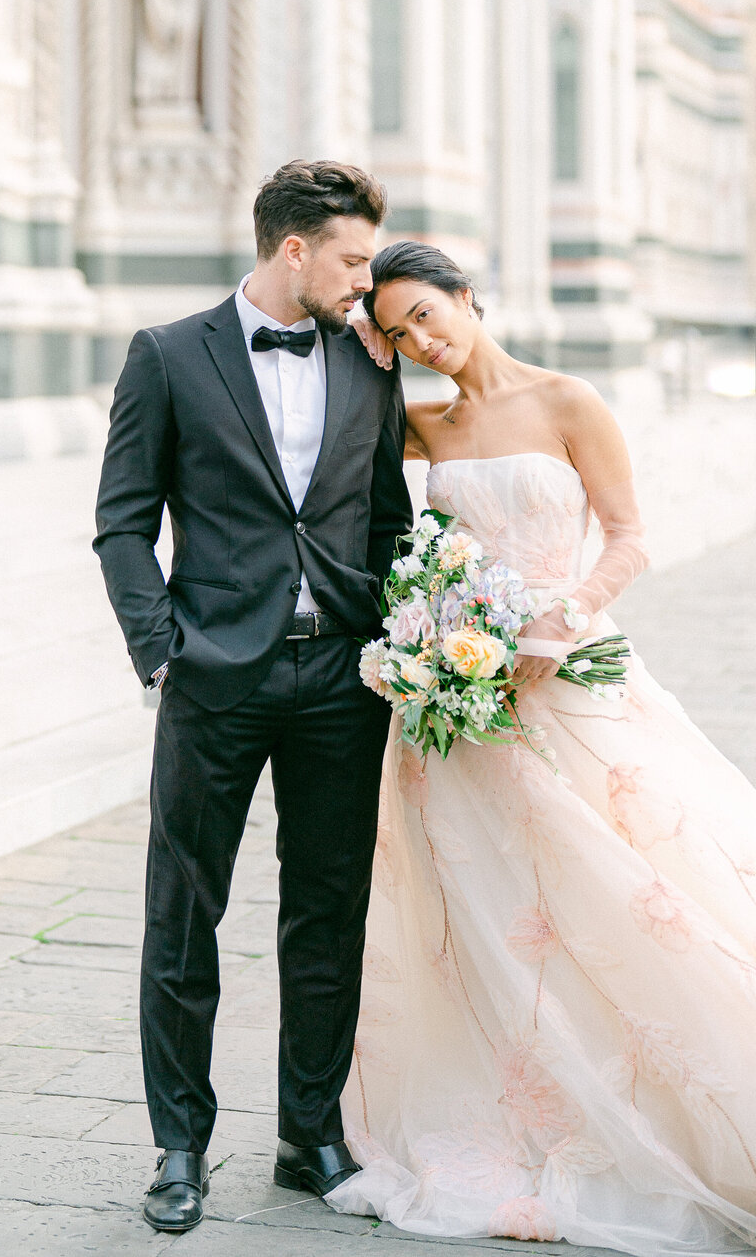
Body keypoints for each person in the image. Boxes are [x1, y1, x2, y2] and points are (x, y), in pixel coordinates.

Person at [328, 239, 756, 1254]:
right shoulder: (421, 421)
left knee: (627, 882)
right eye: (397, 331)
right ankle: (524, 1104)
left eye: (428, 313)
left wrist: (562, 614)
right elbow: (393, 525)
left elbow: (629, 533)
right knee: (492, 908)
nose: (423, 340)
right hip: (461, 708)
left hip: (567, 675)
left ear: (469, 295)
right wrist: (367, 361)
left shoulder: (569, 400)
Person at [93, 160, 414, 1233]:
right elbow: (123, 521)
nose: (366, 281)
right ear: (294, 250)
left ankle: (307, 1134)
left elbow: (384, 520)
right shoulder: (170, 355)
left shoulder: (370, 363)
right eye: (355, 259)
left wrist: (405, 635)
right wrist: (161, 651)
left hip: (341, 681)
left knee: (328, 912)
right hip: (213, 679)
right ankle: (178, 1144)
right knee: (184, 912)